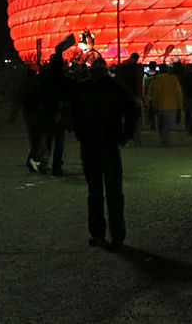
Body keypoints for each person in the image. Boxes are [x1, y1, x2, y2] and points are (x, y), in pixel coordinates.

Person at [70, 58, 139, 250]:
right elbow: (133, 110)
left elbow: (73, 113)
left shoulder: (87, 89)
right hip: (103, 144)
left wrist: (80, 133)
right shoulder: (113, 88)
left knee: (99, 192)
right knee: (109, 192)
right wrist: (126, 135)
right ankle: (114, 235)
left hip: (95, 144)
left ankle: (101, 234)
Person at [9, 65, 44, 171]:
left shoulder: (24, 86)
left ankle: (34, 159)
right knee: (38, 139)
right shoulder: (37, 86)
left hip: (29, 115)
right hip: (36, 114)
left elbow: (18, 101)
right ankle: (34, 159)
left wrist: (13, 116)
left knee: (34, 139)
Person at [145, 63, 183, 145]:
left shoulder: (155, 79)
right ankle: (165, 139)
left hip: (158, 104)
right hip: (171, 104)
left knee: (160, 123)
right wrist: (179, 103)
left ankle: (162, 137)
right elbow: (178, 92)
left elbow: (150, 92)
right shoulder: (173, 79)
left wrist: (148, 102)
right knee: (167, 124)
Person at [115, 53, 144, 145]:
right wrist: (140, 96)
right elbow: (139, 83)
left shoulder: (121, 67)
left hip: (122, 95)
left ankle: (124, 138)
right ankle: (136, 139)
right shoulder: (137, 68)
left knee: (123, 118)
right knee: (135, 118)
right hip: (134, 95)